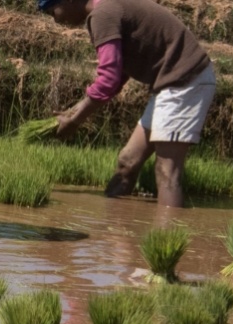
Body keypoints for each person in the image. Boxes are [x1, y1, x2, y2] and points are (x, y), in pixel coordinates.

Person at [43, 0, 215, 208]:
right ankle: (115, 231)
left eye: (52, 11)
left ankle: (167, 237)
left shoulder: (102, 15)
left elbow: (108, 79)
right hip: (170, 84)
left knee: (167, 173)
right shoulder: (107, 8)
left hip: (185, 81)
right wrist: (77, 109)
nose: (56, 19)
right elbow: (119, 71)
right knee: (128, 161)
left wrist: (75, 121)